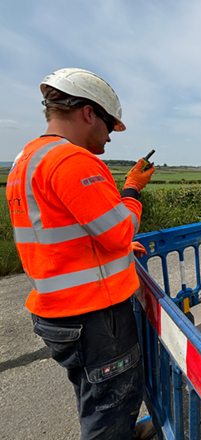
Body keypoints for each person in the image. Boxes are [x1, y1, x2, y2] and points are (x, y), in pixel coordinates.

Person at [6, 68, 155, 440]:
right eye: (108, 124)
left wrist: (110, 254)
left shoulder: (27, 160)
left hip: (59, 312)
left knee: (95, 397)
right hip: (94, 317)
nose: (109, 136)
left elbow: (64, 233)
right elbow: (119, 230)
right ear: (88, 112)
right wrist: (133, 189)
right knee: (111, 406)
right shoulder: (73, 161)